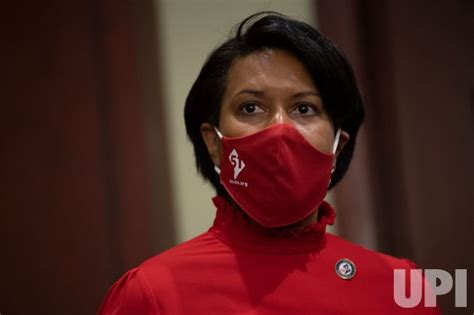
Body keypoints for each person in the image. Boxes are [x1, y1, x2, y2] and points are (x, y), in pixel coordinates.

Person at [98, 12, 441, 314]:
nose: (280, 129)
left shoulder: (401, 289)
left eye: (304, 108)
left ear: (338, 146)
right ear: (214, 142)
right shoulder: (151, 293)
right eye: (251, 107)